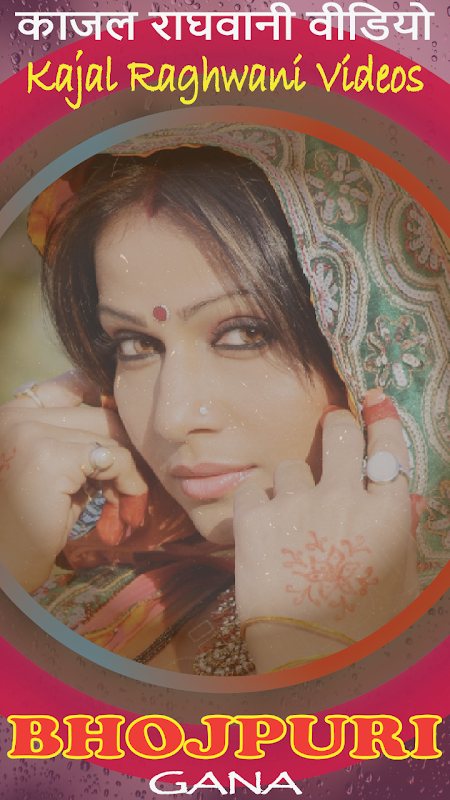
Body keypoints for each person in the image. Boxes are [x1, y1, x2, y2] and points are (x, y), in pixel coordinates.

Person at [0, 122, 447, 676]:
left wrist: (318, 654)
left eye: (244, 334)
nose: (171, 418)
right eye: (136, 344)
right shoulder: (87, 588)